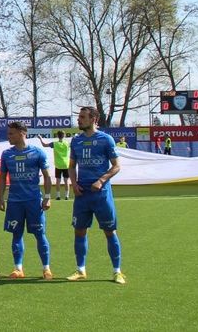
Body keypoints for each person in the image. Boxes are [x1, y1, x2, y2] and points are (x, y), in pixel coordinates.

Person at [68, 106, 124, 284]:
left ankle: (117, 272)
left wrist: (101, 181)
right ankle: (80, 270)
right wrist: (74, 184)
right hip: (82, 195)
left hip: (101, 194)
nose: (79, 120)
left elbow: (116, 166)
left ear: (93, 119)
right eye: (79, 117)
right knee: (79, 232)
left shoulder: (106, 140)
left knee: (109, 232)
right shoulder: (75, 141)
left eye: (83, 117)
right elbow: (71, 166)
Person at [0, 121, 53, 280]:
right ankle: (18, 269)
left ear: (22, 133)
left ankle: (46, 268)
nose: (8, 137)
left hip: (34, 201)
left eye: (11, 134)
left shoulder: (38, 152)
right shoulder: (7, 154)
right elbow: (2, 177)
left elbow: (47, 176)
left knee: (40, 234)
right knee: (16, 234)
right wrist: (1, 197)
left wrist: (48, 197)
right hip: (15, 202)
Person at [37, 131, 71, 201]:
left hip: (58, 165)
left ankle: (58, 196)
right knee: (66, 180)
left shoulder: (55, 144)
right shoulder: (67, 143)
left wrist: (40, 138)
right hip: (66, 164)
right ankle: (66, 195)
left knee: (58, 181)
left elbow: (44, 145)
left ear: (57, 136)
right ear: (64, 136)